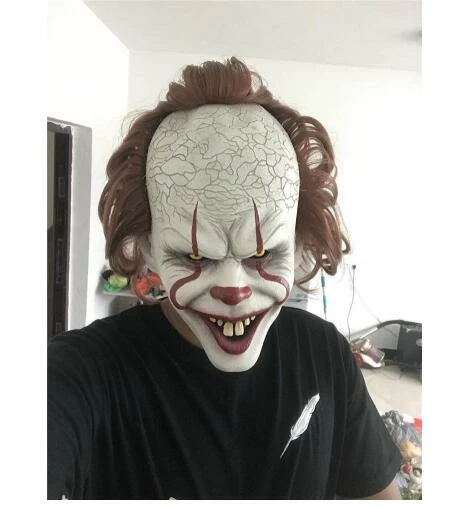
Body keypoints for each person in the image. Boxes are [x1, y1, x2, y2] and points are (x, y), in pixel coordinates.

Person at [47, 57, 402, 500]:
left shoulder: (324, 353)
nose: (234, 289)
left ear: (297, 243)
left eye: (263, 253)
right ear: (148, 247)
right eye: (194, 255)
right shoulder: (78, 376)